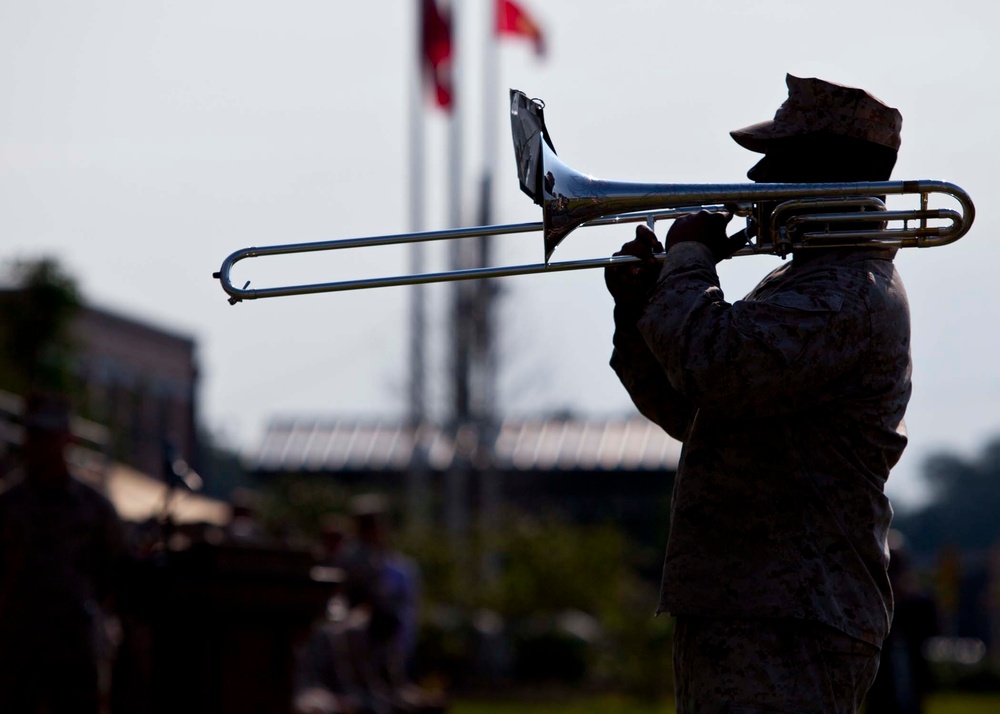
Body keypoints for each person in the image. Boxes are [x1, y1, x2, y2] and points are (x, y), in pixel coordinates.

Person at [605, 74, 910, 714]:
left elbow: (719, 369)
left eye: (778, 163)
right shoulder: (803, 283)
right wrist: (638, 317)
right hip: (751, 600)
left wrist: (688, 265)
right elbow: (695, 413)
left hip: (792, 613)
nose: (756, 180)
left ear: (823, 176)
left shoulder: (846, 294)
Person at [0, 392, 127, 713]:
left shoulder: (93, 509)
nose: (41, 445)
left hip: (74, 650)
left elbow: (116, 576)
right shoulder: (8, 507)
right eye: (35, 435)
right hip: (17, 649)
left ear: (67, 439)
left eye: (49, 435)